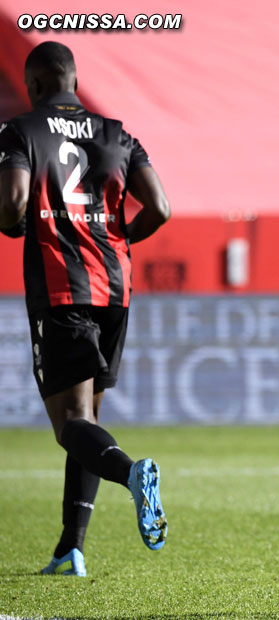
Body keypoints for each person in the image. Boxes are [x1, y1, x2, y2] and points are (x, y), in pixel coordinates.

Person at [0, 41, 170, 577]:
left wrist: (13, 225)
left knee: (70, 423)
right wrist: (118, 240)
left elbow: (13, 205)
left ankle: (131, 471)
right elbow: (160, 208)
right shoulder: (118, 134)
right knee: (89, 417)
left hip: (61, 287)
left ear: (34, 85)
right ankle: (69, 549)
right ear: (73, 80)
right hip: (114, 288)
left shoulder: (21, 130)